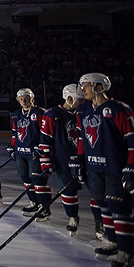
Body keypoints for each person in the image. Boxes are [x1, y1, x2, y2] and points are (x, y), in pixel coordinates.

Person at [74, 72, 134, 267]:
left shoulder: (118, 109)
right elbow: (83, 139)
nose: (83, 89)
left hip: (115, 168)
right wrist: (80, 160)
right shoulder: (83, 111)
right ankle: (113, 242)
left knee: (120, 208)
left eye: (86, 85)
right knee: (102, 205)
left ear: (99, 87)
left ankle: (126, 252)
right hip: (94, 168)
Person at [39, 84, 85, 236]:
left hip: (85, 158)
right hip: (63, 159)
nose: (83, 102)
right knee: (67, 190)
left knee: (96, 192)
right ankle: (72, 217)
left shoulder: (84, 112)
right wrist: (45, 159)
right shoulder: (52, 113)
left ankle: (100, 223)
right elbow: (45, 138)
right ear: (70, 98)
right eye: (79, 100)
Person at [10, 88, 51, 221]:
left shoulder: (40, 113)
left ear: (32, 98)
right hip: (21, 153)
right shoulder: (16, 114)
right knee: (26, 179)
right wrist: (12, 147)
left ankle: (44, 208)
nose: (24, 101)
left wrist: (43, 150)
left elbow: (46, 134)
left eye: (26, 98)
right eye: (21, 98)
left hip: (35, 153)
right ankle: (33, 202)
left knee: (38, 180)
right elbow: (15, 133)